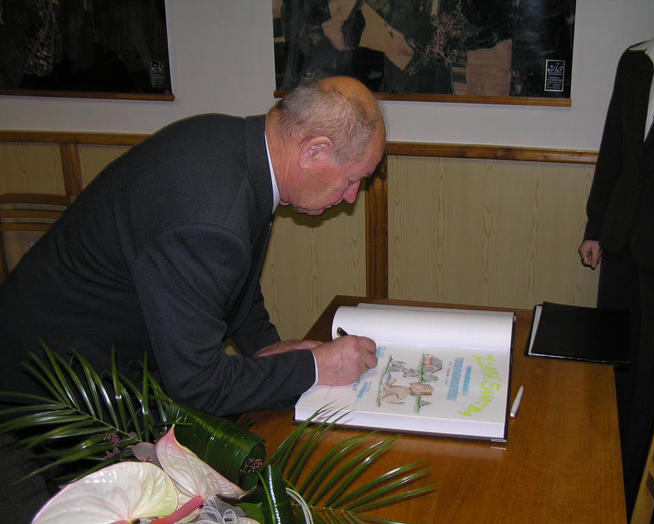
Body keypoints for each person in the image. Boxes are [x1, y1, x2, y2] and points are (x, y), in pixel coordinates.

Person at [0, 76, 384, 521]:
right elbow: (199, 384)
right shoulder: (210, 216)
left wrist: (270, 348)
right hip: (43, 394)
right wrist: (316, 366)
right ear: (314, 150)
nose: (351, 197)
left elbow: (233, 283)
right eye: (352, 179)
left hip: (87, 359)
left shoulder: (236, 148)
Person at [577, 0, 654, 513]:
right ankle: (602, 485)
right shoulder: (636, 60)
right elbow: (614, 151)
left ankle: (635, 504)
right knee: (613, 376)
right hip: (622, 243)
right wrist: (596, 228)